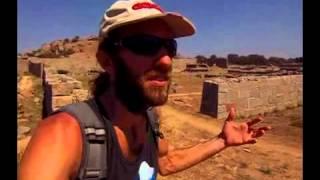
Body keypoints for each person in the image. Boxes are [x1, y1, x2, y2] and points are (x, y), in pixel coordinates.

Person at [18, 0, 271, 179]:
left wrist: (221, 141)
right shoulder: (63, 135)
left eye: (169, 47)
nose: (166, 61)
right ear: (107, 60)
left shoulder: (148, 118)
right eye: (145, 44)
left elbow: (165, 161)